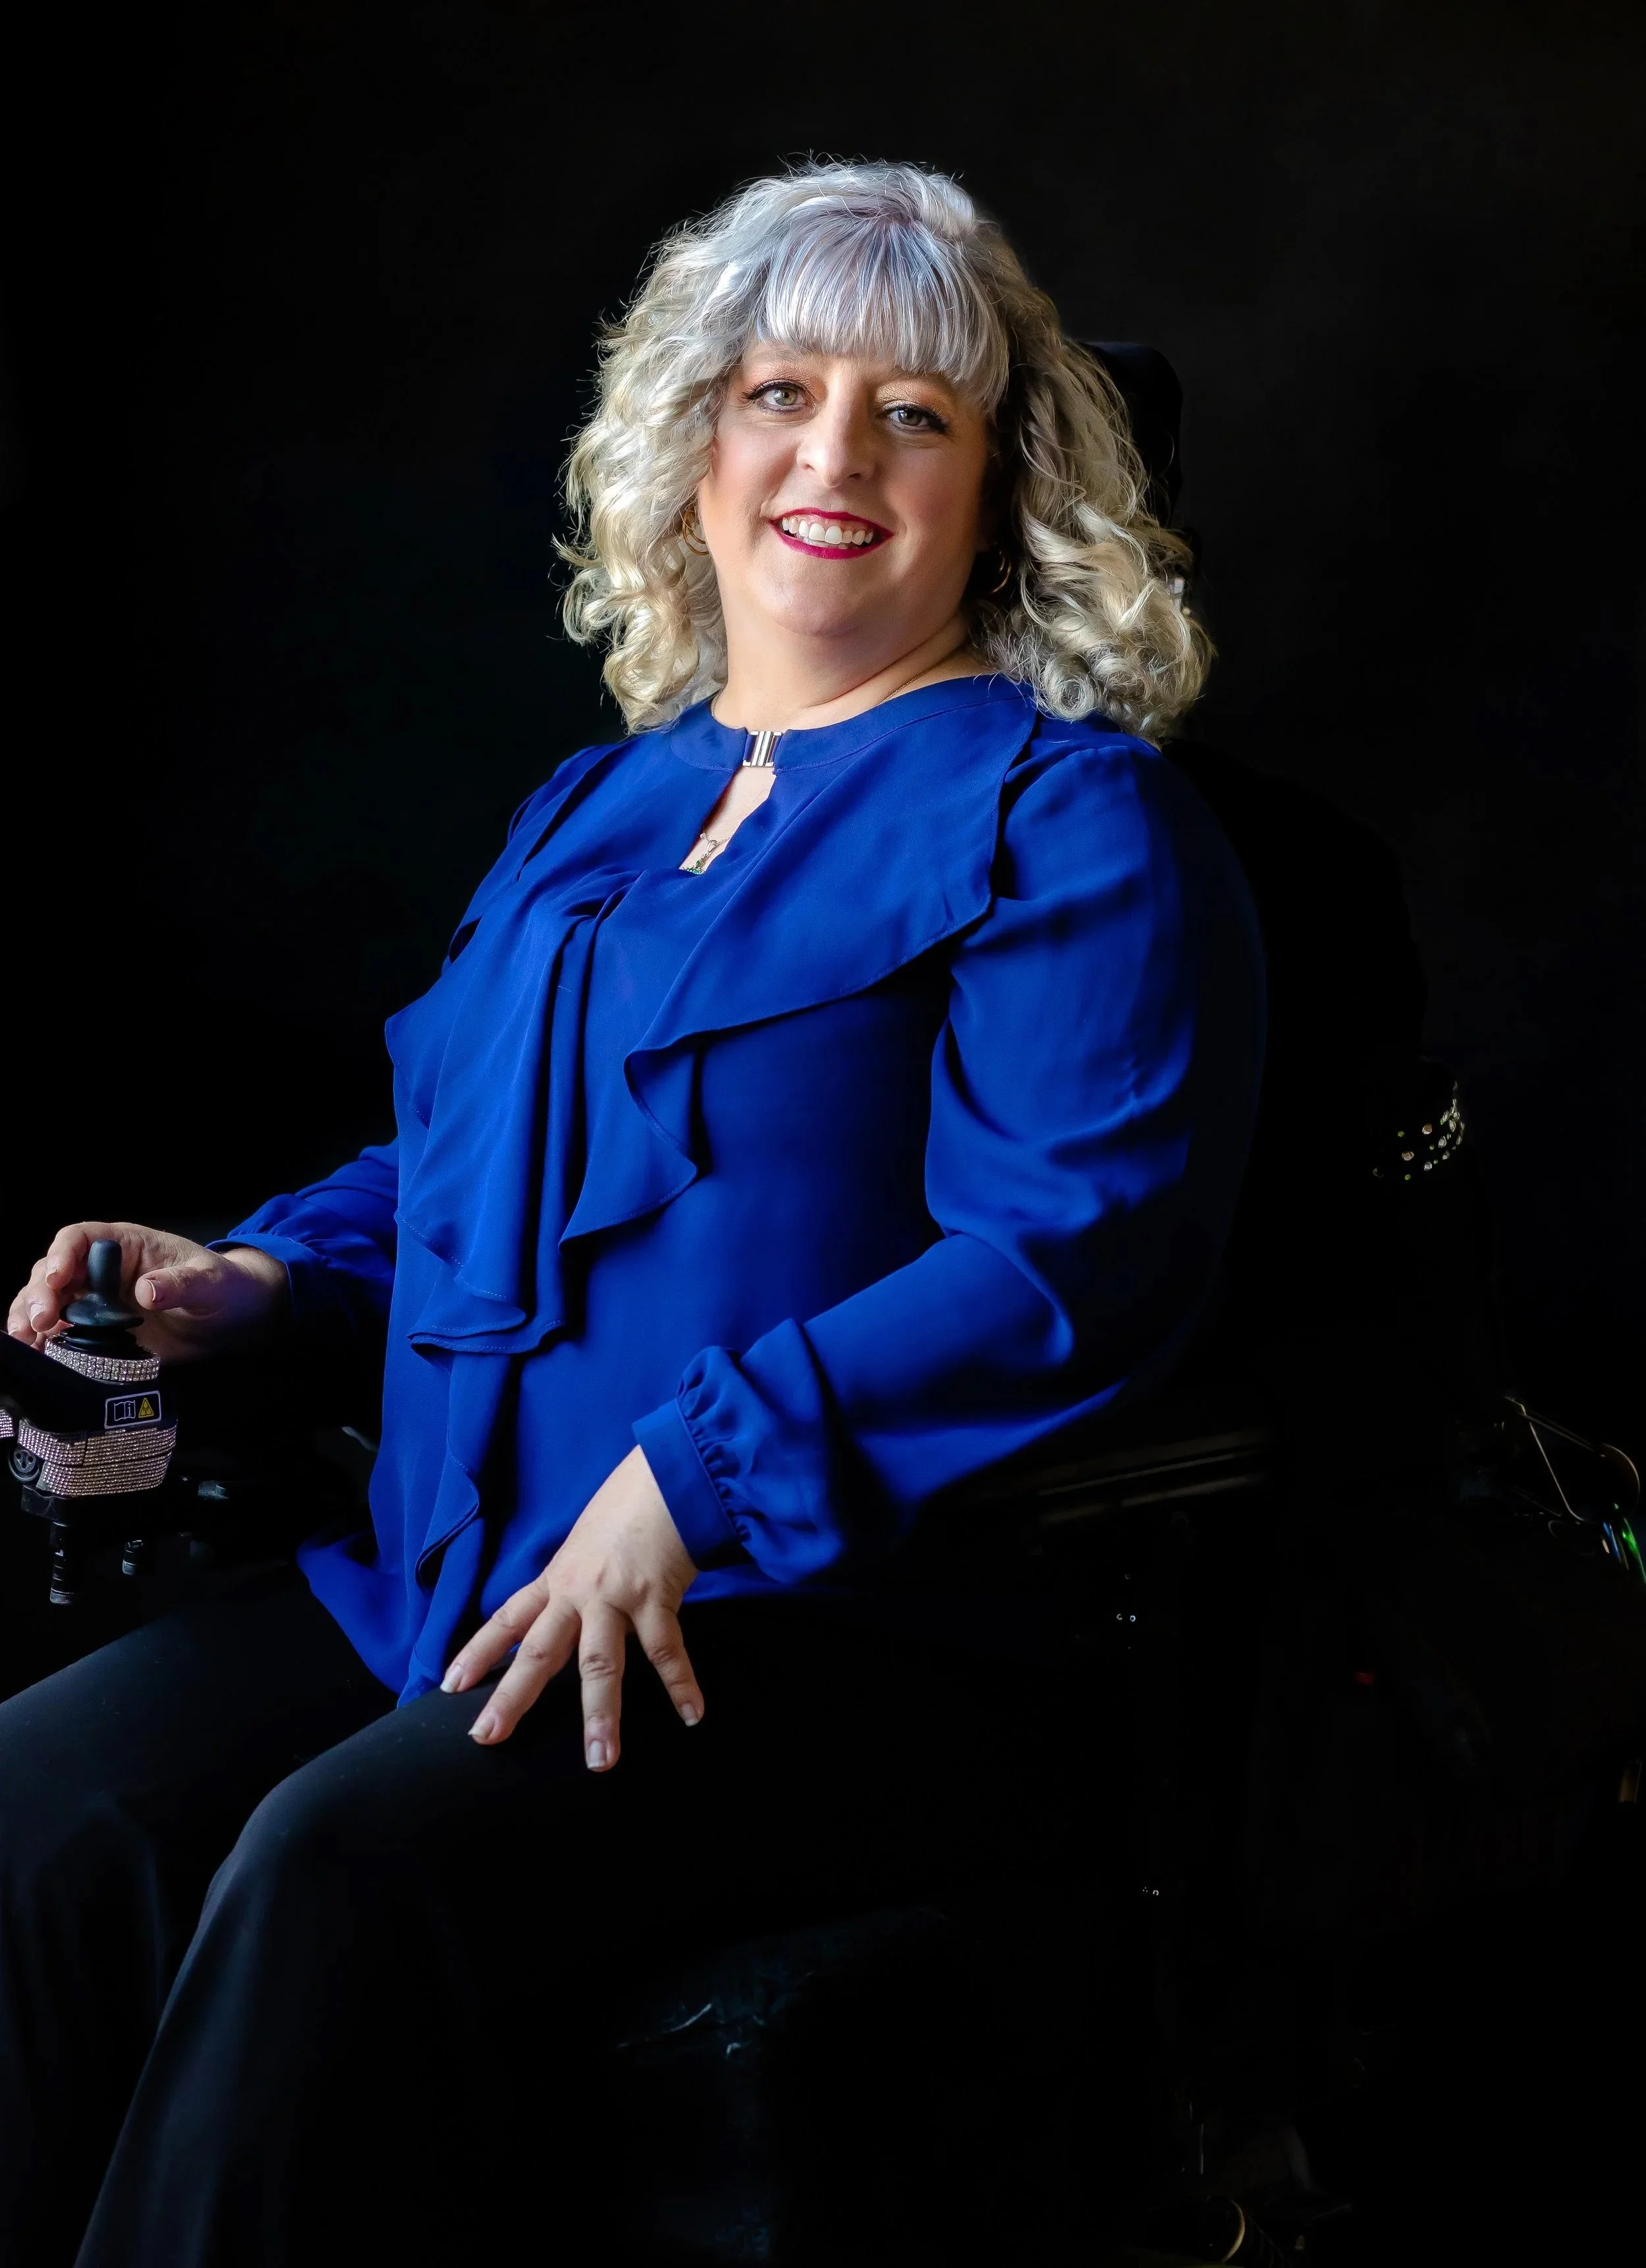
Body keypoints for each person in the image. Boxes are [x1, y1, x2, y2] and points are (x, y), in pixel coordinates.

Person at [1, 162, 1264, 2264]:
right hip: (447, 1566)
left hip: (817, 1616)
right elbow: (472, 1178)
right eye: (779, 389)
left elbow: (1074, 1249)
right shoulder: (602, 805)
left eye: (913, 412)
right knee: (44, 1803)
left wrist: (692, 1472)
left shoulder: (1072, 815)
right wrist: (262, 1280)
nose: (833, 454)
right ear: (694, 449)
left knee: (335, 1868)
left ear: (997, 481)